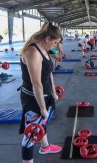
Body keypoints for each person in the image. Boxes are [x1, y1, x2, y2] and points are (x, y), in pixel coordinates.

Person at [18, 22, 62, 163]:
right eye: (54, 42)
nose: (55, 46)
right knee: (30, 134)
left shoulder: (46, 49)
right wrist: (42, 108)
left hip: (46, 94)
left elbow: (50, 71)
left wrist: (53, 90)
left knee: (41, 123)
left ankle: (45, 147)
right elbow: (36, 84)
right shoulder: (32, 52)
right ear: (47, 38)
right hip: (33, 98)